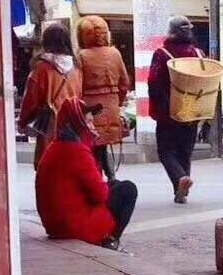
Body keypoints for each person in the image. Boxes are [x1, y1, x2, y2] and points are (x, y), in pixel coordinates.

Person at [35, 98, 138, 249]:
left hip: (55, 224)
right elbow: (100, 195)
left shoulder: (55, 147)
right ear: (78, 124)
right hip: (73, 227)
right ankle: (110, 240)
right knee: (128, 189)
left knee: (115, 185)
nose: (93, 126)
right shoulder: (76, 150)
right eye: (88, 122)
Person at [148, 14, 204, 203]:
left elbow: (153, 83)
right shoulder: (198, 54)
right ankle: (181, 193)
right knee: (184, 152)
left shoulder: (162, 54)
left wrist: (157, 108)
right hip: (192, 111)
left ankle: (180, 180)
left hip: (168, 112)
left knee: (166, 151)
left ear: (170, 32)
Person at [16, 23, 82, 168]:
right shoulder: (76, 69)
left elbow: (30, 100)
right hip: (72, 129)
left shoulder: (41, 69)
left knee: (47, 170)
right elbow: (79, 99)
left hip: (49, 128)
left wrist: (22, 123)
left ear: (46, 42)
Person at [77, 15, 131, 181]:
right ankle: (111, 178)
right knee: (103, 146)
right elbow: (125, 83)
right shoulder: (115, 54)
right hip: (112, 107)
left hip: (90, 109)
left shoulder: (82, 56)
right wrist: (117, 102)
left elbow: (77, 86)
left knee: (92, 146)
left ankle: (98, 181)